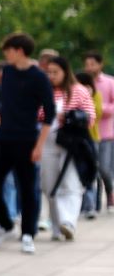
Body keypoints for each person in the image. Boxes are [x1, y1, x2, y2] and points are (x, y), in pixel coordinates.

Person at [0, 33, 56, 256]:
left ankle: (28, 234)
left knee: (28, 189)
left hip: (28, 139)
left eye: (8, 50)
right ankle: (6, 225)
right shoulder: (7, 73)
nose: (5, 55)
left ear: (19, 50)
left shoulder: (39, 77)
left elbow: (49, 113)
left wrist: (39, 145)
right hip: (4, 138)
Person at [41, 51, 95, 241]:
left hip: (72, 144)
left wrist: (70, 116)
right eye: (49, 72)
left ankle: (68, 221)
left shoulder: (78, 90)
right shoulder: (44, 91)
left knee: (70, 183)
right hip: (47, 142)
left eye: (55, 72)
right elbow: (37, 114)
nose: (51, 76)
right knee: (50, 185)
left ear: (65, 72)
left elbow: (90, 117)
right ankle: (57, 226)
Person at [82, 52, 113, 216]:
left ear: (100, 64)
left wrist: (101, 109)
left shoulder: (109, 82)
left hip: (106, 133)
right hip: (87, 133)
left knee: (105, 169)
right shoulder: (81, 83)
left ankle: (110, 193)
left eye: (92, 64)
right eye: (87, 64)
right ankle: (92, 203)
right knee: (91, 169)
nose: (89, 67)